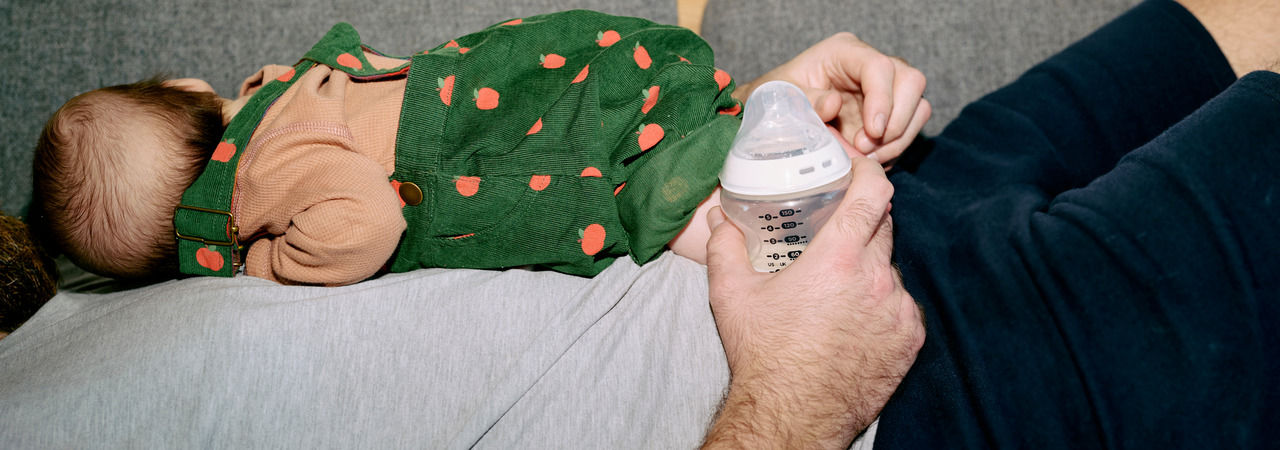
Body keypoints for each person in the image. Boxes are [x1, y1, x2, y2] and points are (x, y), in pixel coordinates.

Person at [700, 0, 1279, 447]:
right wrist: (795, 397)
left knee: (1220, 26)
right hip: (873, 393)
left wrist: (748, 118)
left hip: (896, 199)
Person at [28, 10, 929, 287]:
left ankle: (771, 173)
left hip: (507, 149)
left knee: (647, 198)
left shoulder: (269, 164)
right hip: (525, 89)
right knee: (641, 140)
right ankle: (756, 142)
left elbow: (367, 220)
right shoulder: (288, 87)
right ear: (189, 91)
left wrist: (270, 263)